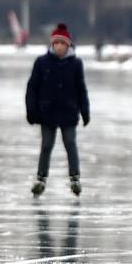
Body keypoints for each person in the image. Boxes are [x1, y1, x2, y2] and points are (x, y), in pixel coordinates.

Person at [26, 22, 90, 196]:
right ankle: (41, 178)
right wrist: (31, 110)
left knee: (70, 143)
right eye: (57, 43)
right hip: (47, 112)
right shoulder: (41, 62)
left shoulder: (76, 64)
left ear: (68, 45)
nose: (60, 46)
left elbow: (81, 89)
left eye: (63, 43)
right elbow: (32, 87)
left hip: (68, 111)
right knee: (46, 145)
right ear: (52, 44)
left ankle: (75, 178)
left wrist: (85, 112)